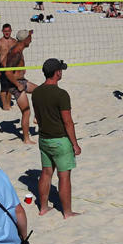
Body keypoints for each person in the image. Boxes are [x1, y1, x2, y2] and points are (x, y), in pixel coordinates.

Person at [31, 58, 82, 217]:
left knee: (46, 173)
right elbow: (68, 122)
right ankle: (67, 212)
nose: (61, 72)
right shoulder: (61, 94)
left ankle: (43, 208)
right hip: (60, 141)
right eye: (60, 70)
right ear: (56, 73)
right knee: (64, 176)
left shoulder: (37, 92)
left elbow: (38, 117)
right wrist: (75, 144)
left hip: (44, 139)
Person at [3, 29, 39, 144]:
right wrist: (17, 85)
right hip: (16, 84)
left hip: (22, 81)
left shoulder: (18, 49)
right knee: (26, 112)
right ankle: (26, 139)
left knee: (40, 91)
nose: (31, 40)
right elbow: (8, 72)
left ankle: (37, 117)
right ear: (25, 40)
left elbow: (4, 61)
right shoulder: (16, 53)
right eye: (30, 37)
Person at [0, 23, 17, 110]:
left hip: (12, 67)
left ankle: (8, 103)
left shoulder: (14, 41)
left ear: (11, 31)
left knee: (11, 87)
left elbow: (19, 55)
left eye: (8, 31)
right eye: (5, 31)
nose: (7, 33)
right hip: (3, 67)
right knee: (4, 87)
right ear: (2, 31)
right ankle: (4, 105)